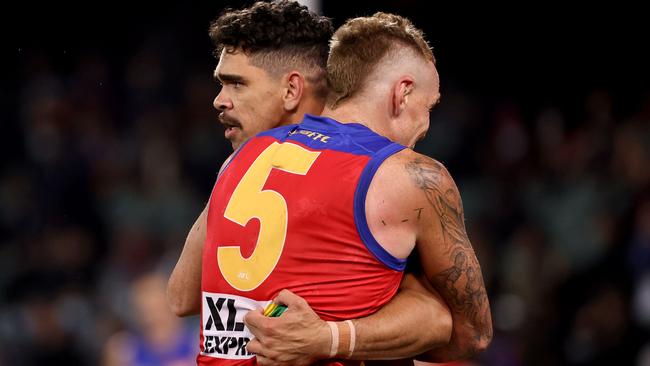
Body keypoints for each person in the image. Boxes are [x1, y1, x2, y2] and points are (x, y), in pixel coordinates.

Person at [166, 1, 491, 364]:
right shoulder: (405, 177)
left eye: (237, 85)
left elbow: (182, 298)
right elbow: (465, 333)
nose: (426, 125)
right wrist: (338, 337)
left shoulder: (241, 158)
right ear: (402, 93)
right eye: (429, 108)